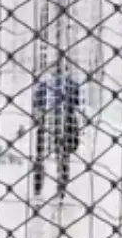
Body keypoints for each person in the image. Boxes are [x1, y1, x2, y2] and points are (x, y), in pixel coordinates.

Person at [31, 66, 85, 204]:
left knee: (42, 156)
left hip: (48, 124)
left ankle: (38, 189)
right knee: (63, 157)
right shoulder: (72, 85)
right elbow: (77, 106)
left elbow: (37, 106)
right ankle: (61, 188)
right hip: (65, 123)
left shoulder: (43, 86)